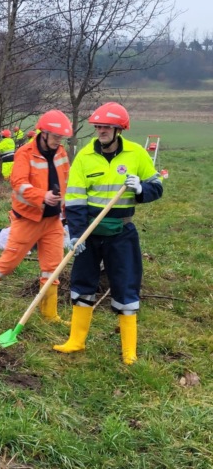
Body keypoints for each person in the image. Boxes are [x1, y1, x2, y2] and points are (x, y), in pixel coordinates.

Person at [53, 102, 163, 365]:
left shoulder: (136, 154)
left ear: (118, 130)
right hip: (89, 233)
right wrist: (75, 234)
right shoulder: (84, 157)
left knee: (126, 285)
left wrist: (141, 189)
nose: (101, 131)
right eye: (98, 126)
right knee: (82, 284)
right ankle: (76, 341)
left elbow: (157, 186)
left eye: (106, 127)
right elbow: (75, 199)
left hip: (122, 233)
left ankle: (129, 352)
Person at [0, 110, 72, 324]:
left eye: (62, 137)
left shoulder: (61, 153)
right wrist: (42, 196)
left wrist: (66, 209)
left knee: (52, 268)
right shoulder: (25, 153)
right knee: (7, 264)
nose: (59, 141)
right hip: (28, 219)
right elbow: (18, 183)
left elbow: (67, 180)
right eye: (56, 136)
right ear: (44, 133)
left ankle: (50, 315)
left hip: (53, 221)